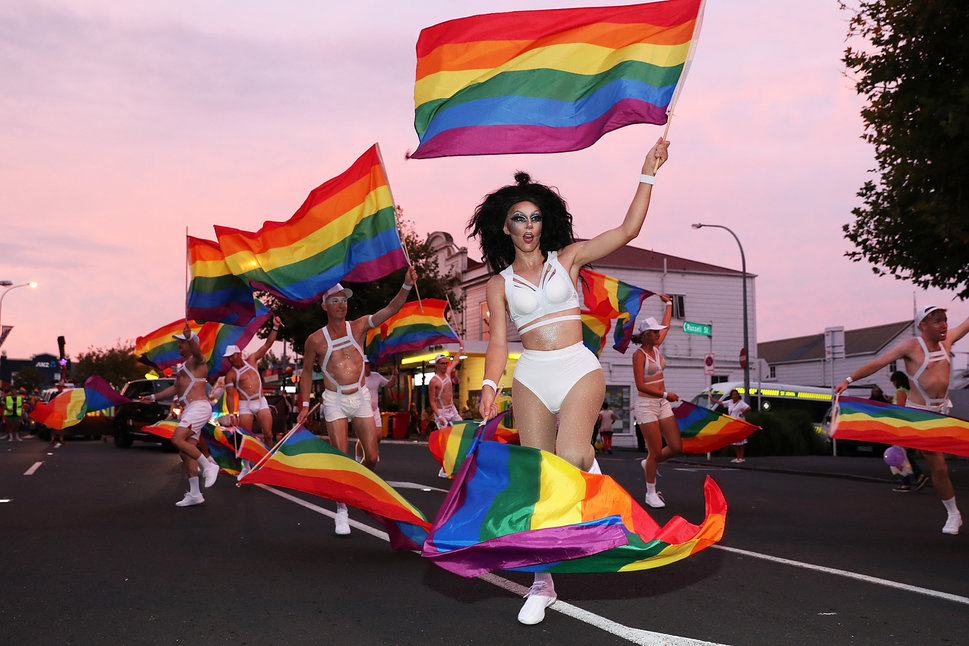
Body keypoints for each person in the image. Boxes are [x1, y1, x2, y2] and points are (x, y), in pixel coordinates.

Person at [471, 137, 670, 625]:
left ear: (546, 222)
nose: (528, 226)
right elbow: (499, 344)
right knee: (542, 481)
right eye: (519, 218)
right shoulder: (497, 283)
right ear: (504, 226)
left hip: (577, 366)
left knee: (569, 457)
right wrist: (491, 386)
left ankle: (586, 462)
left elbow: (627, 229)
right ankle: (542, 583)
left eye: (535, 217)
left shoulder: (569, 258)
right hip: (532, 375)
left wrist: (647, 171)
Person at [296, 268, 417, 536]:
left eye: (344, 299)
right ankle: (342, 509)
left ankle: (354, 485)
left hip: (360, 396)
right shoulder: (315, 340)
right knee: (341, 457)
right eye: (336, 300)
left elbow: (390, 309)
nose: (342, 304)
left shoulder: (359, 325)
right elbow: (306, 372)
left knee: (371, 456)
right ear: (325, 305)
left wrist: (407, 286)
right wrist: (304, 405)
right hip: (334, 399)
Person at [835, 305, 969, 534]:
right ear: (923, 326)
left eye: (945, 320)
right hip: (919, 416)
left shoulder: (948, 342)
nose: (944, 325)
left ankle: (952, 512)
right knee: (939, 466)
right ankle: (953, 514)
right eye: (937, 321)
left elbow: (967, 323)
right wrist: (848, 379)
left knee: (952, 457)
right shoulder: (910, 347)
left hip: (942, 412)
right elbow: (878, 362)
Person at [140, 323, 219, 507]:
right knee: (185, 453)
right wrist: (152, 397)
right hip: (189, 409)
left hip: (199, 407)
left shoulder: (197, 361)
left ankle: (209, 467)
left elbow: (199, 353)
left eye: (182, 343)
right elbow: (175, 389)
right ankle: (195, 494)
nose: (179, 346)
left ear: (191, 344)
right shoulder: (183, 366)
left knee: (177, 439)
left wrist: (191, 337)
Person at [632, 296, 681, 508]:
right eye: (655, 332)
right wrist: (665, 395)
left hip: (662, 404)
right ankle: (650, 493)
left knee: (676, 447)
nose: (659, 333)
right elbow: (640, 385)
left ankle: (648, 464)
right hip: (647, 406)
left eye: (658, 331)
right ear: (646, 335)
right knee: (656, 452)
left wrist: (669, 303)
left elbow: (667, 324)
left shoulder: (657, 346)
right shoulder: (639, 355)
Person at [222, 316, 282, 447]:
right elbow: (230, 396)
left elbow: (267, 345)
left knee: (268, 434)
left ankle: (268, 461)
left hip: (260, 401)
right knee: (246, 436)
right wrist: (232, 414)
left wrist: (275, 327)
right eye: (228, 358)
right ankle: (246, 465)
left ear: (239, 354)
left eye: (232, 356)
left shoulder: (252, 360)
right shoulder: (230, 375)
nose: (230, 359)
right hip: (245, 405)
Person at [887, 371, 928, 493]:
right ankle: (915, 477)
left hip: (900, 427)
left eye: (893, 382)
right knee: (905, 455)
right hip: (910, 426)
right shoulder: (910, 392)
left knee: (899, 455)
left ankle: (911, 480)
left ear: (896, 381)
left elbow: (900, 409)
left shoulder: (900, 391)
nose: (893, 385)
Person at [356, 358, 397, 462]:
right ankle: (358, 459)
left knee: (378, 435)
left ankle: (373, 451)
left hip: (374, 410)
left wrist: (394, 375)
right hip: (362, 411)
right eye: (365, 364)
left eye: (368, 364)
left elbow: (389, 384)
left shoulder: (376, 376)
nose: (367, 366)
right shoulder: (357, 377)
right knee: (363, 438)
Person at [709, 388, 751, 463]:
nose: (735, 396)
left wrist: (742, 413)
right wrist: (713, 400)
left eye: (736, 394)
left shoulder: (741, 403)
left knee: (740, 441)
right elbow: (721, 403)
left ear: (738, 395)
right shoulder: (730, 402)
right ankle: (738, 457)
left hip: (739, 423)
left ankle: (741, 457)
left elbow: (748, 408)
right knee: (734, 441)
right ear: (731, 396)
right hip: (732, 423)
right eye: (733, 395)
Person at [428, 347, 464, 430]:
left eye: (446, 363)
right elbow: (432, 401)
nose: (445, 365)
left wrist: (461, 348)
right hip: (441, 411)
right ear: (436, 364)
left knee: (461, 428)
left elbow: (455, 360)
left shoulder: (448, 372)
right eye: (442, 363)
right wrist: (439, 416)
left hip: (452, 409)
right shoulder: (434, 381)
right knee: (445, 434)